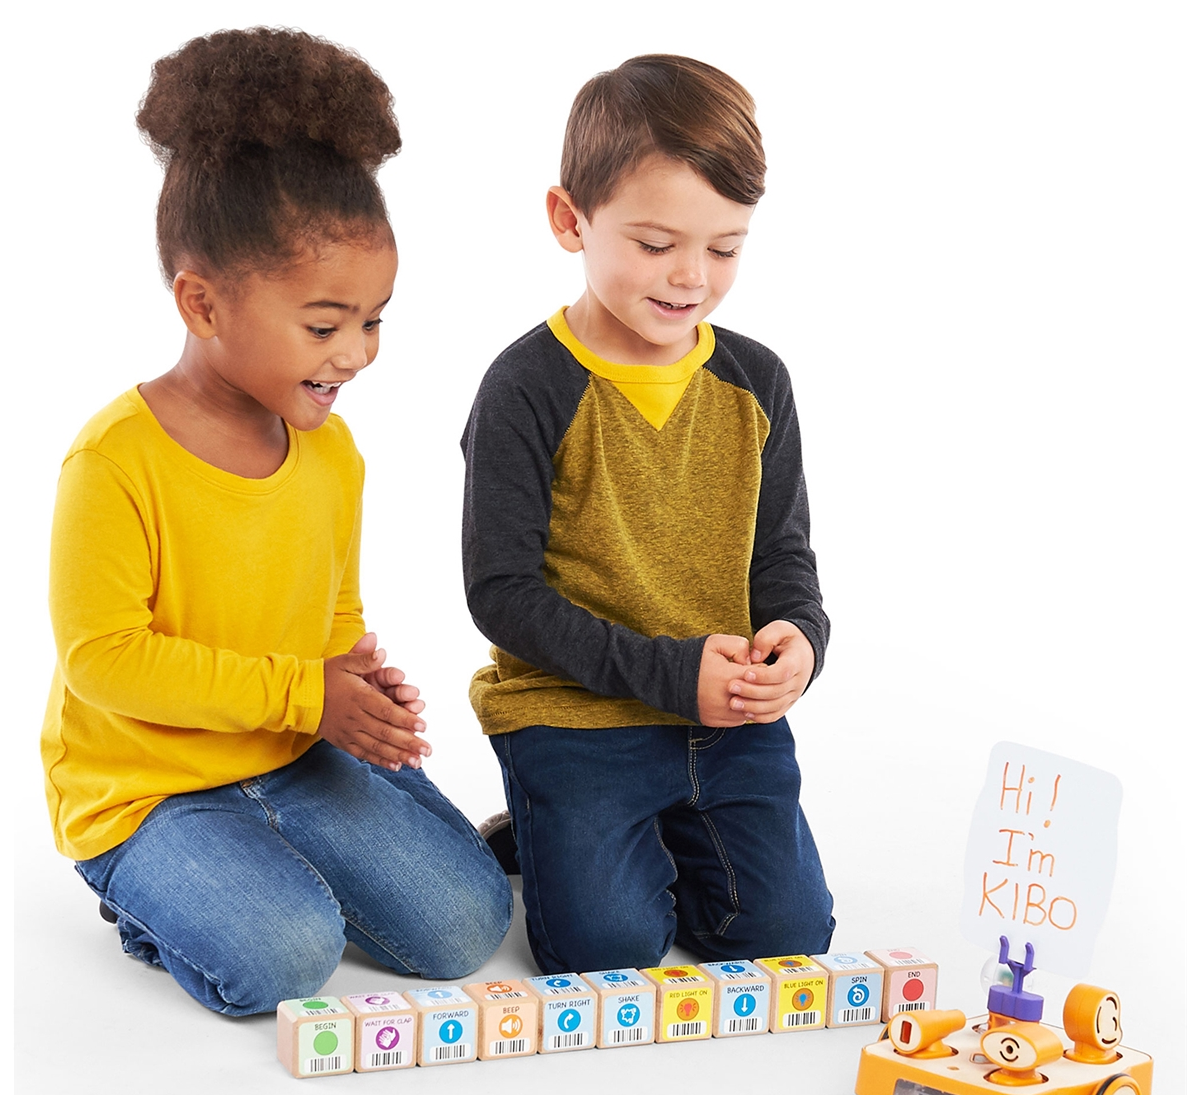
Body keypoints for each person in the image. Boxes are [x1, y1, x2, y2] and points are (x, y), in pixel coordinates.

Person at [41, 27, 511, 1016]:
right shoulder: (115, 460)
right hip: (152, 790)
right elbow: (104, 662)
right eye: (325, 324)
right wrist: (307, 693)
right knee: (287, 960)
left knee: (468, 929)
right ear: (203, 304)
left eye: (374, 319)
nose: (358, 353)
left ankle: (299, 847)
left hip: (288, 750)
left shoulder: (331, 454)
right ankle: (145, 898)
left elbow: (331, 615)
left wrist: (355, 687)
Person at [463, 55, 836, 976]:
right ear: (570, 220)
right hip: (578, 715)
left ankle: (641, 836)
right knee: (606, 949)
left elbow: (782, 556)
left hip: (725, 719)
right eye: (656, 243)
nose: (691, 277)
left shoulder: (758, 381)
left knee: (784, 936)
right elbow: (501, 592)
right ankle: (549, 825)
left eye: (725, 248)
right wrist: (669, 673)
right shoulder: (526, 387)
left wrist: (801, 637)